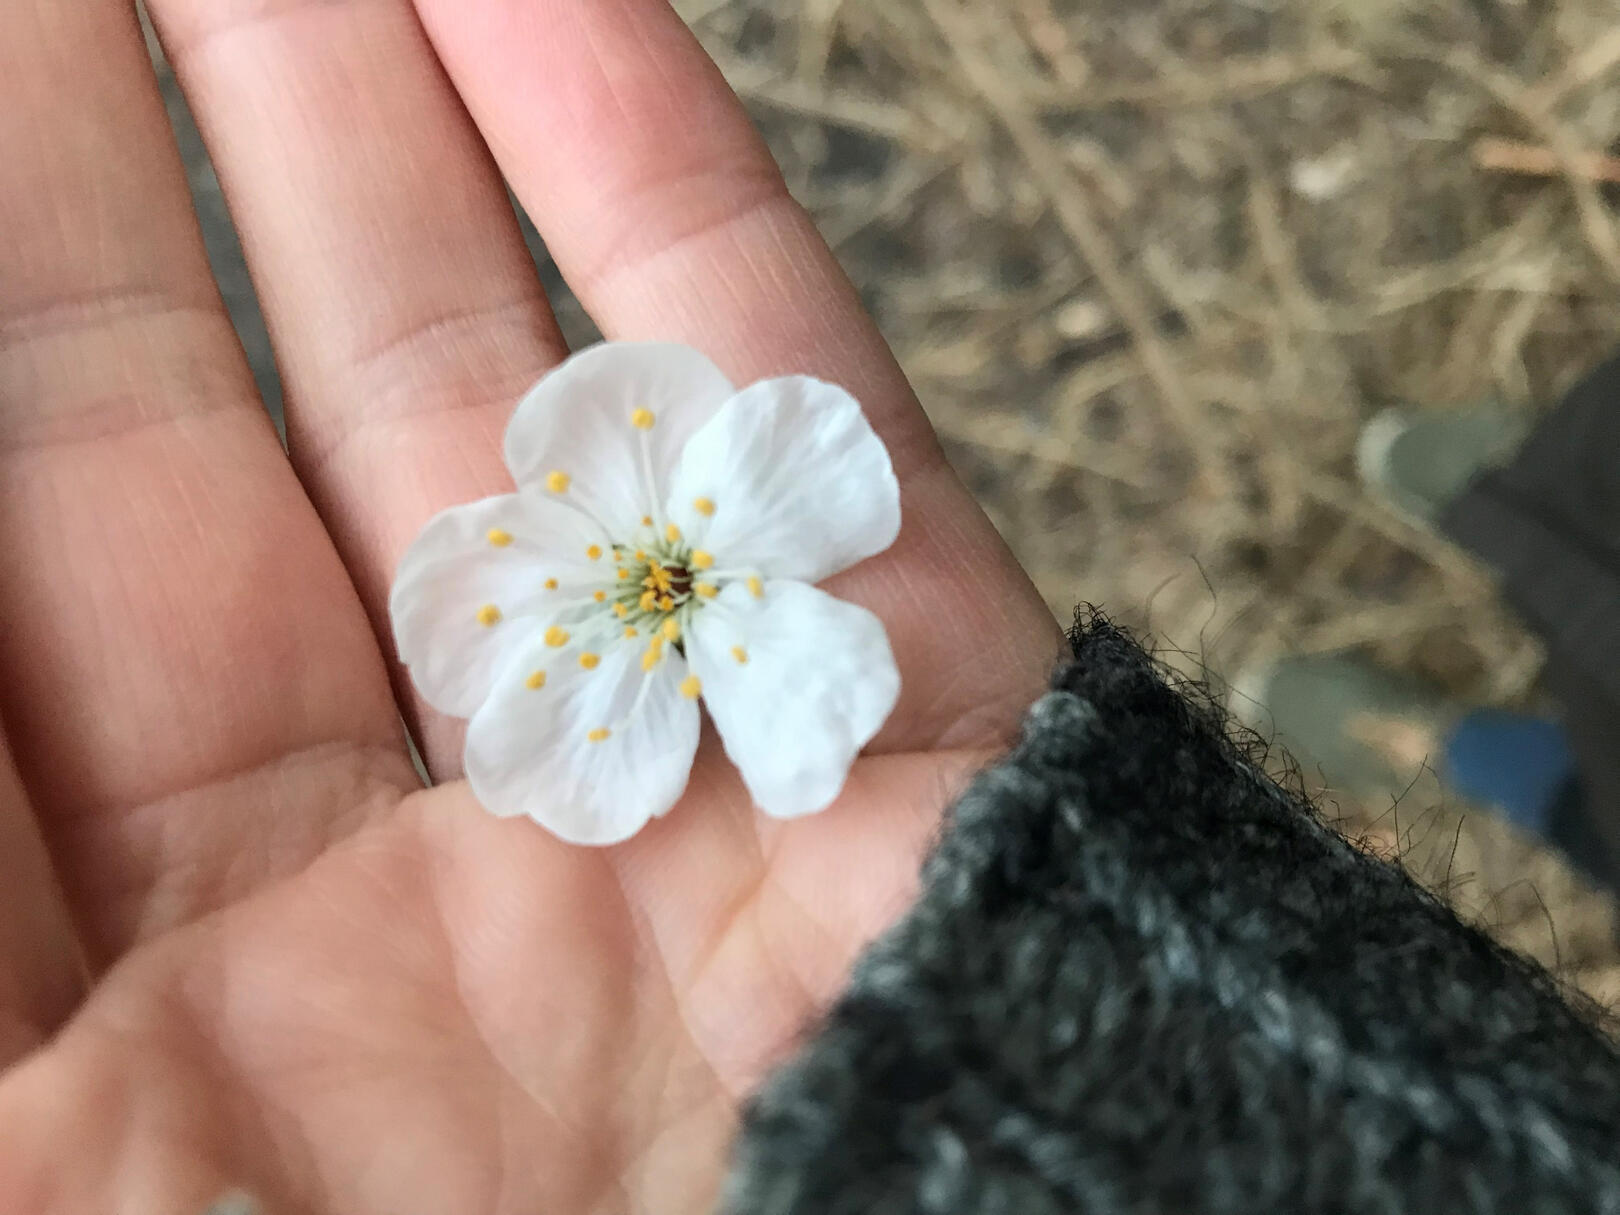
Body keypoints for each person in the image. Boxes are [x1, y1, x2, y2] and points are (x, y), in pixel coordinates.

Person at [1, 3, 1617, 1213]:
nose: (651, 584)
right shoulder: (585, 606)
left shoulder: (703, 520)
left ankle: (1503, 698)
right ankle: (1512, 662)